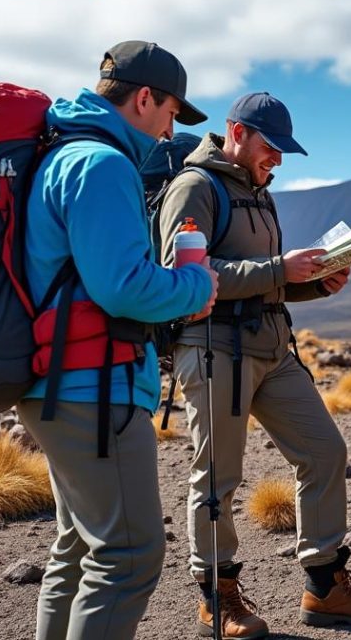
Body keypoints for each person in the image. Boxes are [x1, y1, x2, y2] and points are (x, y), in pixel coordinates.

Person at [157, 92, 351, 637]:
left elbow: (266, 283)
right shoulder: (196, 187)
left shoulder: (260, 194)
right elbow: (184, 271)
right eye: (271, 147)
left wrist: (314, 283)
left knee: (325, 451)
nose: (278, 160)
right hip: (213, 347)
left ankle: (325, 586)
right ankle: (217, 598)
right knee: (218, 474)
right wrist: (277, 267)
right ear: (236, 132)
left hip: (270, 346)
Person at [19, 40, 218, 640]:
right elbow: (123, 288)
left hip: (57, 383)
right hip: (93, 389)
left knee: (79, 549)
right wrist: (194, 285)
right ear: (144, 97)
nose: (168, 130)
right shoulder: (101, 165)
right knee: (127, 556)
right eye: (170, 114)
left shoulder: (62, 153)